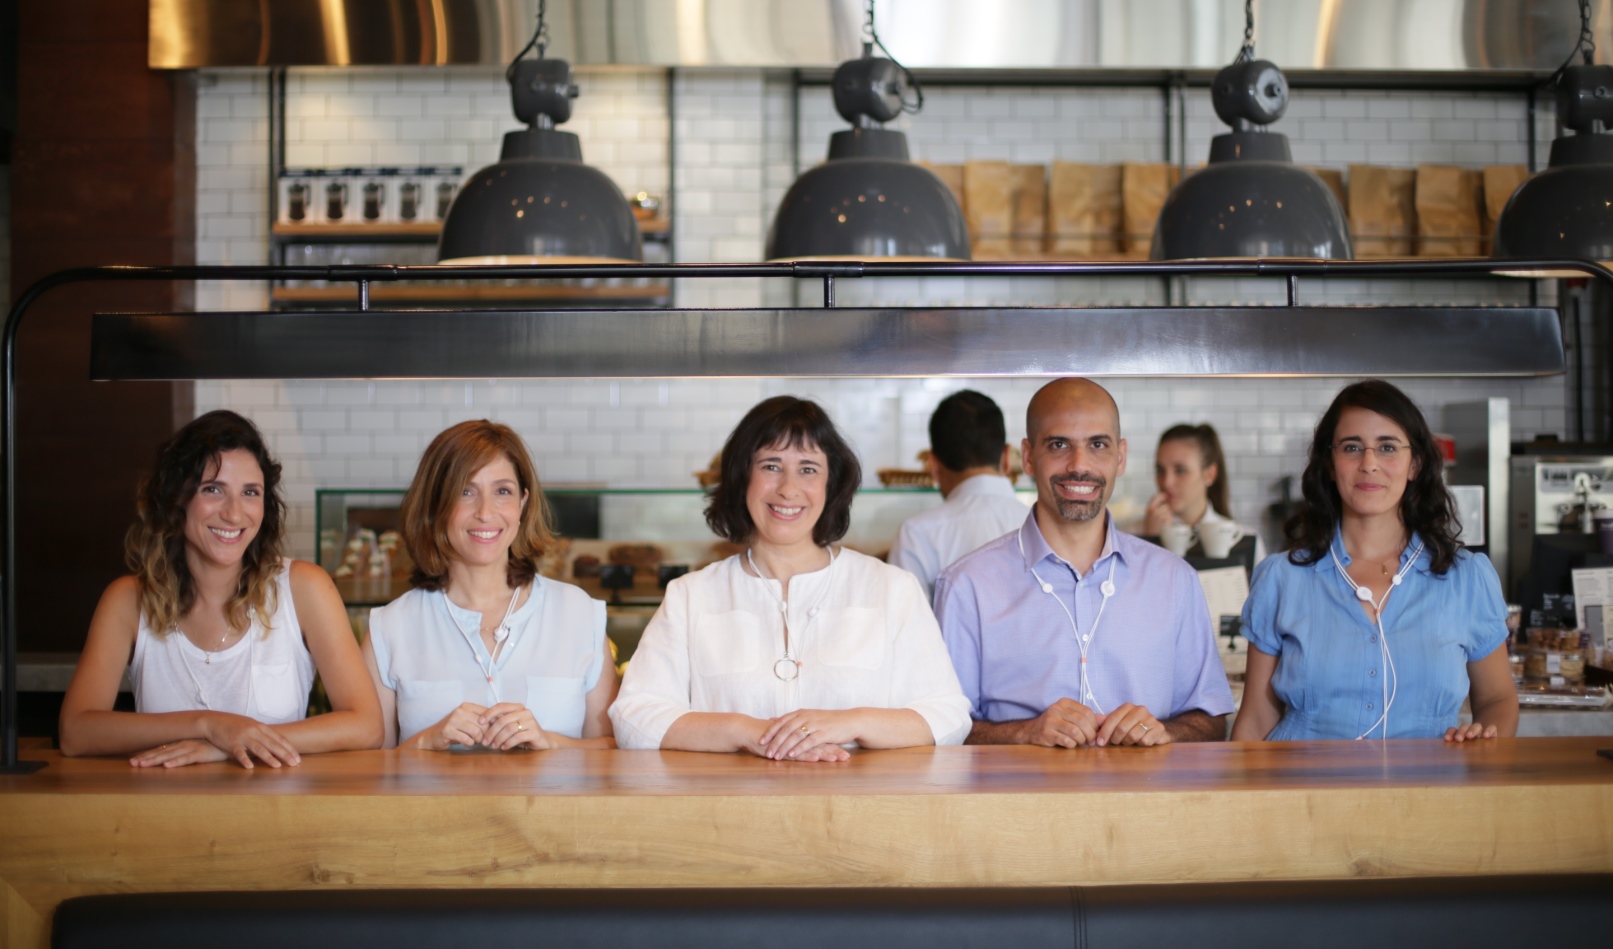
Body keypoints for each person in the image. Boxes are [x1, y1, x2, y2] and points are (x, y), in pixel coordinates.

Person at [610, 396, 971, 760]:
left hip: (860, 810)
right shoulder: (691, 596)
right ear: (741, 477)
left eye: (809, 469)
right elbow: (634, 718)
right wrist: (744, 731)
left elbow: (948, 716)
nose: (788, 488)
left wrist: (850, 723)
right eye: (770, 466)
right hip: (726, 811)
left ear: (832, 483)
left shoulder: (893, 589)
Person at [59, 411, 382, 768]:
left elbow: (367, 726)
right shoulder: (128, 600)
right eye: (212, 489)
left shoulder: (304, 587)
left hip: (280, 819)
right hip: (163, 819)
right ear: (177, 498)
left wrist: (231, 745)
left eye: (250, 493)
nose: (234, 513)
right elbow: (76, 732)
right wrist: (210, 725)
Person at [934, 378, 1234, 748]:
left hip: (1147, 805)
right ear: (1027, 457)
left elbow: (1212, 721)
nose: (1079, 465)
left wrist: (1165, 731)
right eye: (1059, 445)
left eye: (1098, 445)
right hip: (1016, 803)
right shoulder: (966, 586)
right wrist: (1023, 732)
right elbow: (941, 727)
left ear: (1120, 456)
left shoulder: (1176, 580)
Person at [1231, 380, 1518, 742]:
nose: (1369, 464)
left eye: (1387, 447)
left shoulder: (1467, 578)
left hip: (1431, 792)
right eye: (1352, 447)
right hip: (1302, 792)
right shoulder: (1281, 577)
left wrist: (1487, 741)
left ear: (1414, 464)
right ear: (1330, 465)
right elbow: (1257, 717)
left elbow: (1497, 698)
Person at [364, 420, 617, 751]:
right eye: (465, 492)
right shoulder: (389, 627)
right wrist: (425, 742)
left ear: (523, 503)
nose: (485, 512)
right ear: (434, 505)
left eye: (502, 491)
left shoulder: (579, 613)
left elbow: (615, 751)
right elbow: (367, 771)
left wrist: (550, 743)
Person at [889, 389, 1030, 601]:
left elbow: (907, 628)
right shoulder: (1041, 525)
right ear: (1007, 458)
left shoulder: (917, 534)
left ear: (934, 465)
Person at [1137, 423, 1266, 562]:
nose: (1166, 482)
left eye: (1181, 470)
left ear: (1209, 475)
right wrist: (1150, 541)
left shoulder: (1243, 540)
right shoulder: (1134, 537)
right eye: (1160, 471)